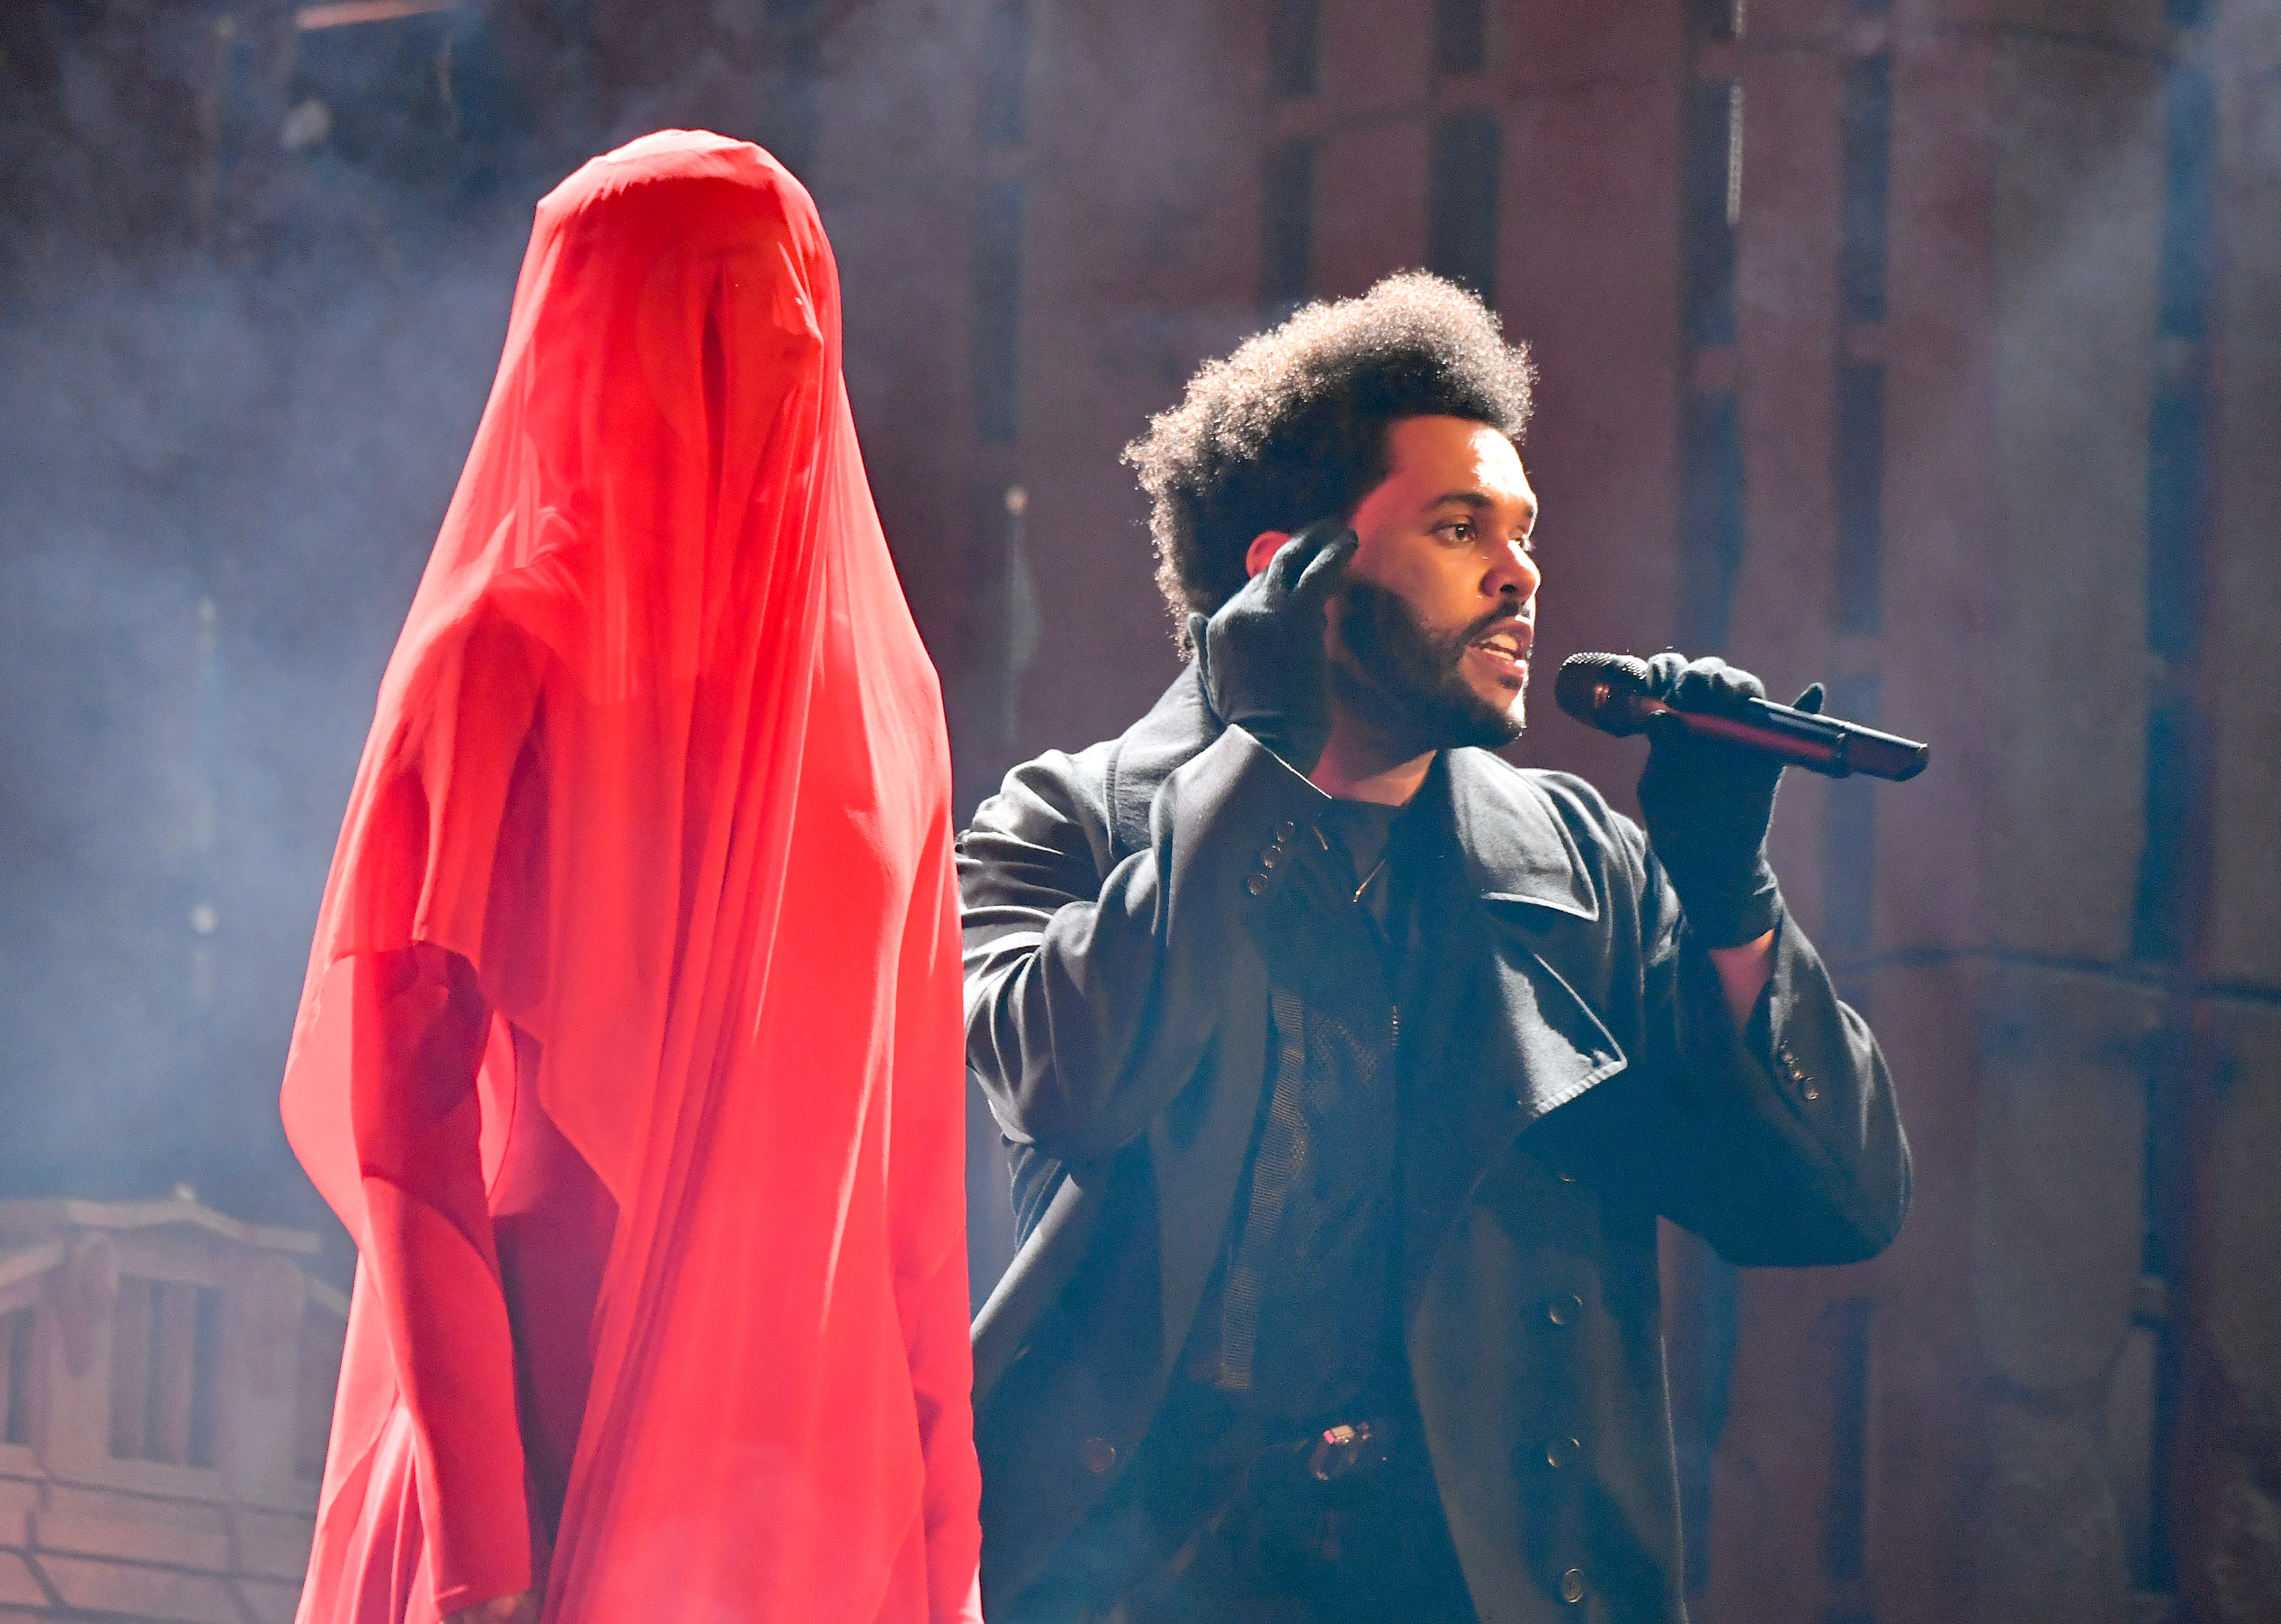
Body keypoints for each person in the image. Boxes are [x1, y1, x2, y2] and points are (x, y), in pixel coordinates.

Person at [957, 272, 1910, 1623]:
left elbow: (1828, 1206)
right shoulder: (1063, 825)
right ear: (1290, 577)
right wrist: (1257, 758)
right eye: (1460, 526)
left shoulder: (1581, 871)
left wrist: (1725, 887)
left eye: (1523, 532)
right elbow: (1080, 1078)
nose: (1517, 570)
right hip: (1143, 1582)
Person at [281, 131, 981, 1624]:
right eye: (711, 319)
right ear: (600, 342)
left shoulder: (890, 703)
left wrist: (948, 1551)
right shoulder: (495, 665)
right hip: (552, 1429)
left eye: (791, 314)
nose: (772, 357)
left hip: (816, 1481)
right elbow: (408, 1137)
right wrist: (482, 1551)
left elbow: (919, 1179)